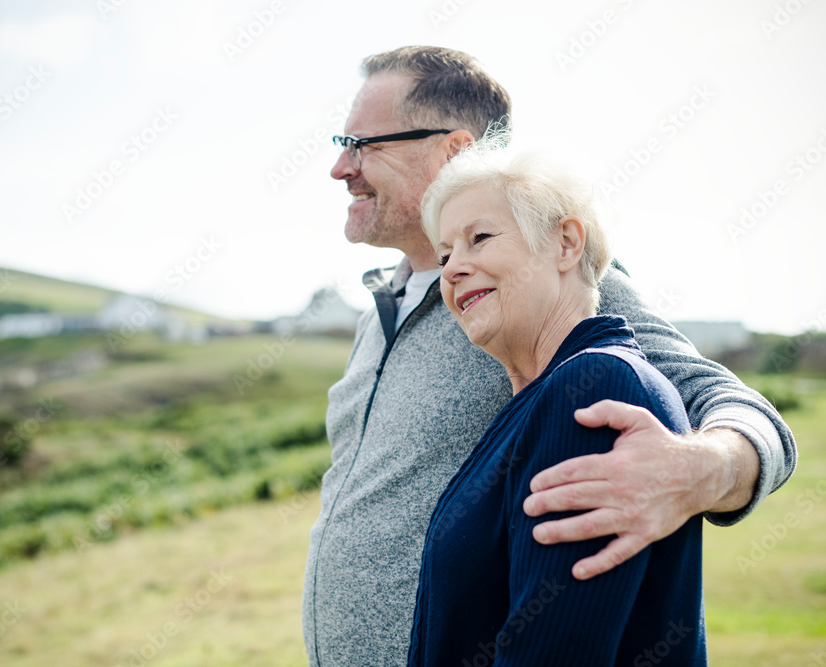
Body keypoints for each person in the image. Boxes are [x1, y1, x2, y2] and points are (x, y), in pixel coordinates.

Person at [302, 46, 795, 667]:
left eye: (362, 143)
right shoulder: (381, 307)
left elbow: (733, 405)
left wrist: (703, 469)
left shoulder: (547, 281)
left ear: (455, 150)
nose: (340, 167)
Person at [408, 140, 705, 665]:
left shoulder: (593, 387)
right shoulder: (537, 400)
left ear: (566, 244)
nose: (453, 269)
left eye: (479, 238)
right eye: (446, 253)